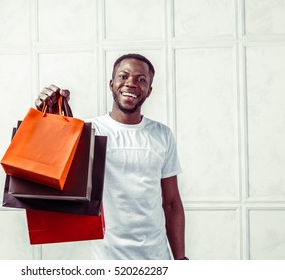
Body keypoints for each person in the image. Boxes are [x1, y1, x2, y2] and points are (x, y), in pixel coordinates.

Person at [35, 53, 187, 260]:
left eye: (141, 79)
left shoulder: (162, 134)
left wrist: (181, 259)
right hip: (107, 259)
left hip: (157, 256)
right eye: (123, 76)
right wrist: (50, 117)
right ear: (111, 83)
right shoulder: (89, 131)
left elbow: (171, 202)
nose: (131, 83)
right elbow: (50, 163)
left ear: (149, 91)